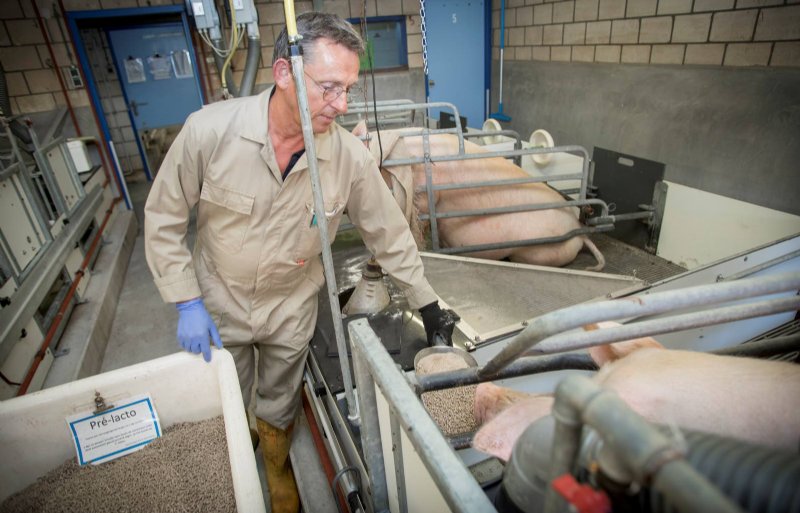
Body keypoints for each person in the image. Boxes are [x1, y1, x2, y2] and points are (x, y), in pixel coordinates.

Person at [143, 12, 458, 513]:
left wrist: (429, 302)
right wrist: (185, 301)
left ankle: (275, 463)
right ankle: (237, 460)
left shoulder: (347, 158)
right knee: (225, 394)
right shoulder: (209, 132)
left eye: (350, 90)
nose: (342, 104)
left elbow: (388, 232)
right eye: (330, 87)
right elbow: (162, 216)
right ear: (285, 73)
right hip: (218, 299)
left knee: (279, 394)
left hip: (291, 301)